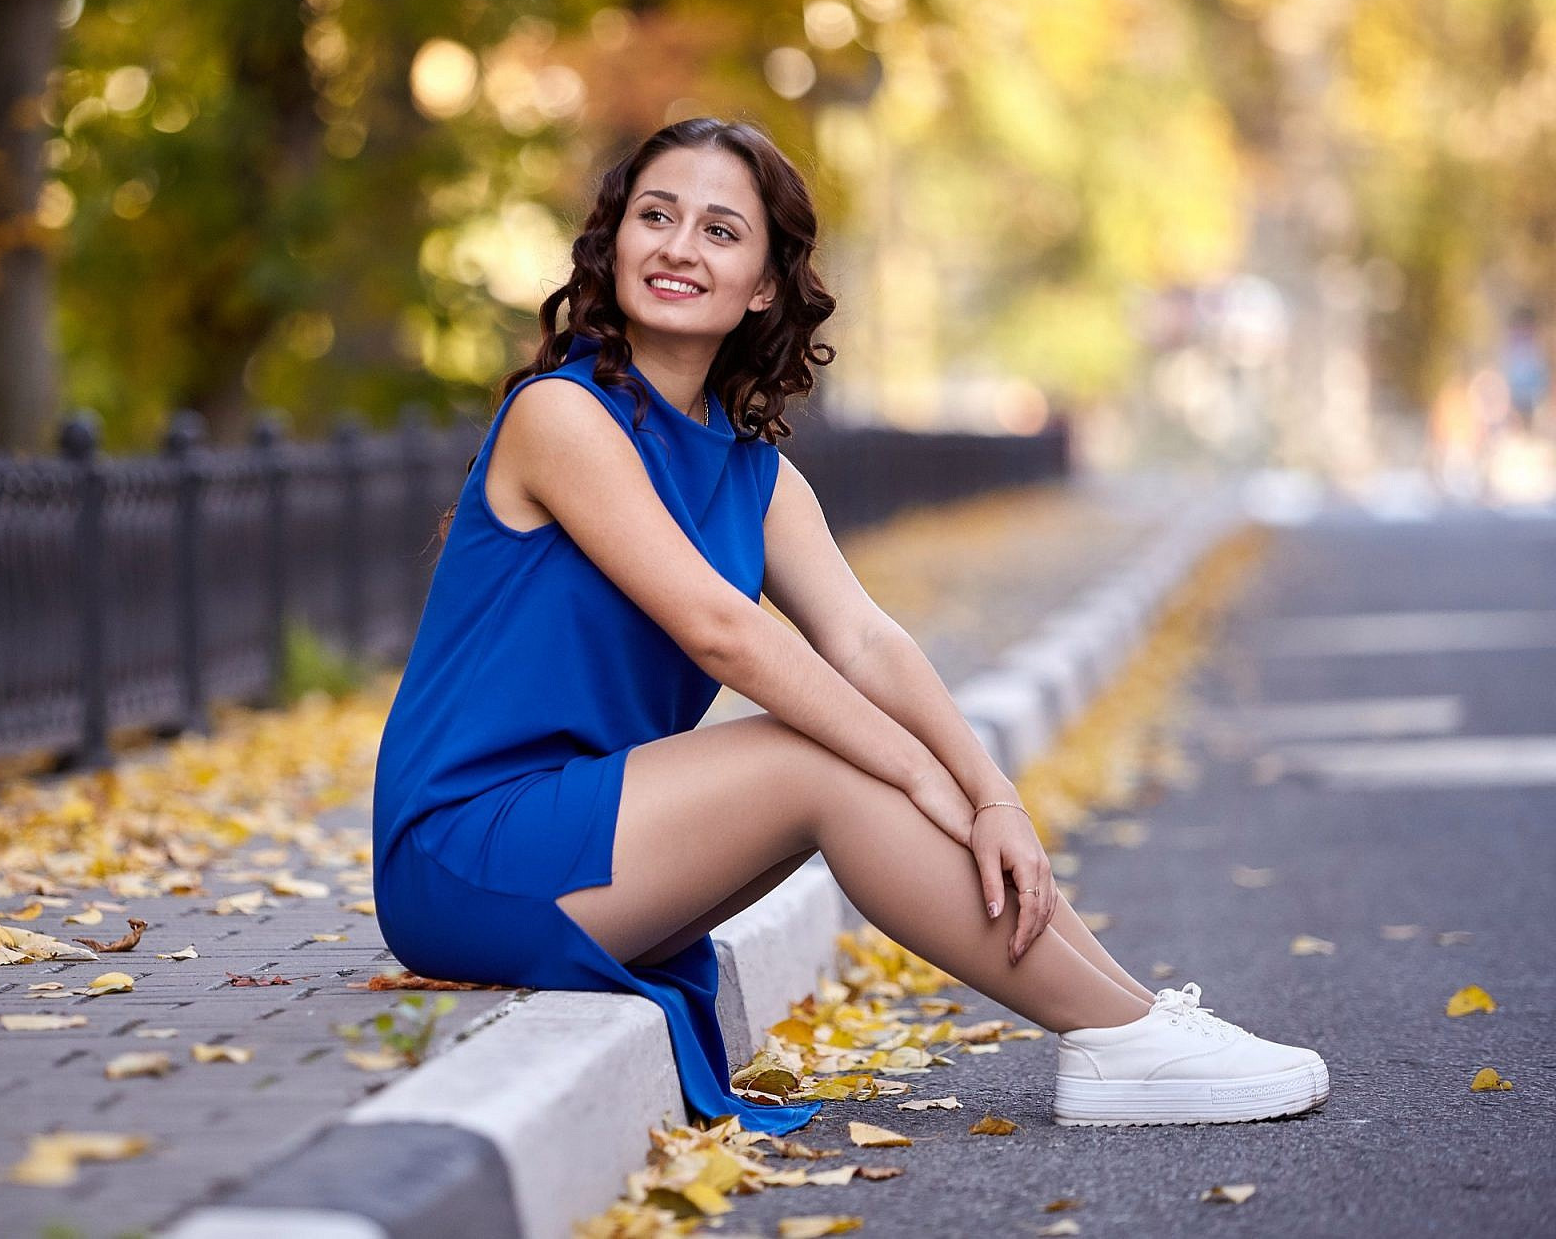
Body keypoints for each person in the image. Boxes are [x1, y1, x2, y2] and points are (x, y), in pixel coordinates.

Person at [371, 116, 1328, 1134]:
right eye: (654, 216)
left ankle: (1128, 1020)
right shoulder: (559, 417)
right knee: (817, 757)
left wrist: (989, 791)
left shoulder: (752, 473)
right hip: (461, 850)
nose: (678, 246)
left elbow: (866, 641)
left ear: (763, 285)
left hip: (579, 835)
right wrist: (913, 770)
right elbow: (720, 632)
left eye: (718, 230)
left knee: (849, 745)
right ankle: (1117, 1037)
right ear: (610, 247)